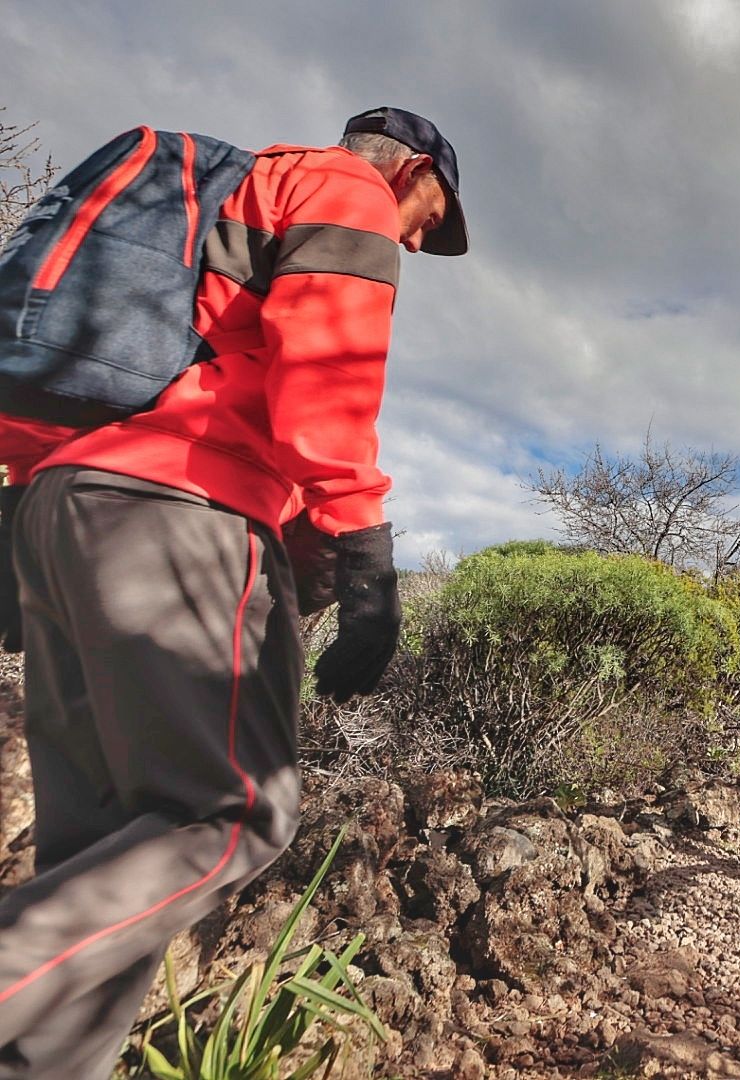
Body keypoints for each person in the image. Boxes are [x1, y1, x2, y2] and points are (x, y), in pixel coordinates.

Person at [0, 106, 468, 1080]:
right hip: (180, 504)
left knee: (99, 865)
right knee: (228, 815)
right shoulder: (343, 189)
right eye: (433, 215)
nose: (421, 238)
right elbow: (325, 379)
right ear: (412, 167)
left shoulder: (223, 208)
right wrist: (366, 548)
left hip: (61, 512)